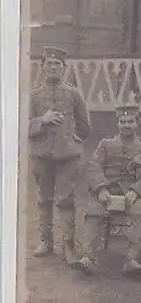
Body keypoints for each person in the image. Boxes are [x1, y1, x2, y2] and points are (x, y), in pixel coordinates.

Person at [74, 103, 141, 276]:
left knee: (138, 212)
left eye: (130, 121)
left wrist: (136, 190)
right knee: (93, 211)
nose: (126, 125)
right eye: (122, 121)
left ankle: (132, 259)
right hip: (108, 192)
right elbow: (94, 166)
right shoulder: (106, 144)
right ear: (117, 123)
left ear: (137, 123)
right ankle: (88, 258)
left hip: (133, 195)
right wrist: (101, 188)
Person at [29, 46, 91, 265]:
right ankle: (46, 242)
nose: (53, 67)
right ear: (43, 66)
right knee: (44, 199)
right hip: (42, 155)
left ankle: (68, 245)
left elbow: (85, 126)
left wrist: (72, 139)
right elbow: (19, 127)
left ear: (64, 68)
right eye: (49, 64)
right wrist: (40, 121)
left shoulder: (73, 93)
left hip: (68, 157)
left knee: (66, 200)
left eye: (58, 64)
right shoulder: (34, 95)